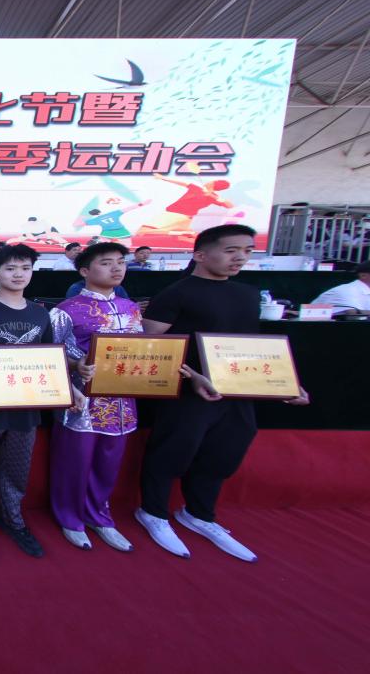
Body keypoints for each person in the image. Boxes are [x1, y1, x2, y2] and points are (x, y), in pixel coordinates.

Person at [137, 225, 309, 562]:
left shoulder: (247, 294)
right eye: (231, 250)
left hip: (236, 389)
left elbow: (250, 346)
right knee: (173, 450)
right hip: (187, 390)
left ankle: (199, 514)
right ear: (201, 255)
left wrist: (285, 382)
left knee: (225, 451)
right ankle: (153, 511)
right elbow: (150, 346)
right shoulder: (176, 293)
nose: (240, 257)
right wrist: (193, 376)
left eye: (247, 250)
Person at [0, 244, 87, 561]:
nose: (18, 274)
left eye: (25, 268)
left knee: (17, 469)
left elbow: (50, 359)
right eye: (10, 268)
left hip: (27, 406)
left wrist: (70, 390)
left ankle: (12, 519)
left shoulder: (40, 313)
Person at [51, 243, 141, 552]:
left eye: (120, 262)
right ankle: (70, 517)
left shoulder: (131, 308)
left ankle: (99, 516)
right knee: (74, 462)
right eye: (106, 262)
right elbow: (49, 355)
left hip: (123, 402)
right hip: (82, 403)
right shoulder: (66, 310)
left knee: (109, 462)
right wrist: (75, 368)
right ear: (85, 271)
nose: (116, 268)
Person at [66, 279, 130, 299]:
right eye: (105, 264)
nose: (117, 269)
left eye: (120, 262)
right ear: (85, 271)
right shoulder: (76, 288)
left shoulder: (118, 288)